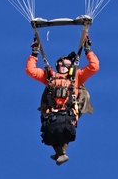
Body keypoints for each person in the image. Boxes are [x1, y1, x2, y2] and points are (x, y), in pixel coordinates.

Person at [25, 33, 99, 165]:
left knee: (63, 129)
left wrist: (88, 50)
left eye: (66, 63)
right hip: (52, 112)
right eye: (61, 63)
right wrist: (34, 53)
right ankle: (60, 153)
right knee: (50, 131)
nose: (63, 65)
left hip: (68, 112)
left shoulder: (77, 76)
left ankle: (60, 152)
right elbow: (30, 70)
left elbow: (94, 67)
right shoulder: (50, 77)